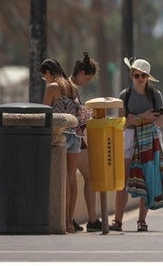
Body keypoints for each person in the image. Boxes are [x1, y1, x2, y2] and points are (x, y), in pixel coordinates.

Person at [110, 57, 163, 233]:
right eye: (137, 75)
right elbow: (122, 121)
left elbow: (161, 121)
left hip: (149, 140)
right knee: (124, 181)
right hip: (129, 140)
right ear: (131, 75)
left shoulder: (155, 95)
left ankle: (142, 220)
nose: (140, 78)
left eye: (143, 75)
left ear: (148, 77)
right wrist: (144, 117)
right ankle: (118, 221)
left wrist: (136, 119)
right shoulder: (124, 95)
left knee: (147, 178)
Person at [40, 58, 82, 234]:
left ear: (48, 72)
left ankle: (62, 221)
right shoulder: (72, 87)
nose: (45, 80)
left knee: (63, 179)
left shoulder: (52, 87)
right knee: (72, 180)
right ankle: (69, 222)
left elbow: (44, 112)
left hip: (61, 136)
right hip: (76, 135)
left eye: (44, 77)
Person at [69, 52, 103, 232]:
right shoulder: (69, 88)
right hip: (73, 138)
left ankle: (84, 218)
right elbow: (73, 113)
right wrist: (91, 115)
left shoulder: (69, 87)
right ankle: (83, 219)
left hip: (77, 138)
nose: (87, 82)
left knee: (78, 179)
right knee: (79, 179)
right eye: (88, 79)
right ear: (81, 73)